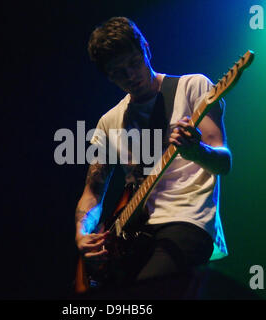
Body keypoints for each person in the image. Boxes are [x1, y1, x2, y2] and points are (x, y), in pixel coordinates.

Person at [75, 17, 231, 298]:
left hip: (188, 220)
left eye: (134, 62)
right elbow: (93, 192)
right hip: (134, 236)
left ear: (146, 48)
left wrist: (197, 151)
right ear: (108, 77)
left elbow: (224, 162)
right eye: (119, 72)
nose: (131, 75)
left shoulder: (192, 87)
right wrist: (82, 232)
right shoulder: (109, 121)